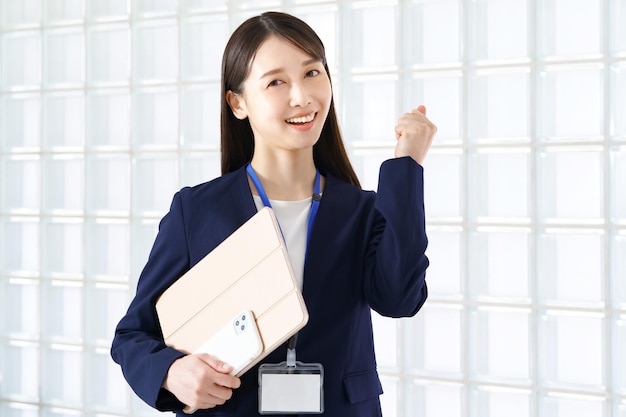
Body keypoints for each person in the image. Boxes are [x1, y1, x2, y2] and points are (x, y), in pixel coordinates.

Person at [111, 11, 436, 417]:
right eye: (276, 82)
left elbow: (399, 299)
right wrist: (172, 372)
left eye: (312, 73)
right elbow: (131, 336)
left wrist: (406, 167)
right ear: (238, 102)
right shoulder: (196, 210)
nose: (302, 96)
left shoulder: (361, 211)